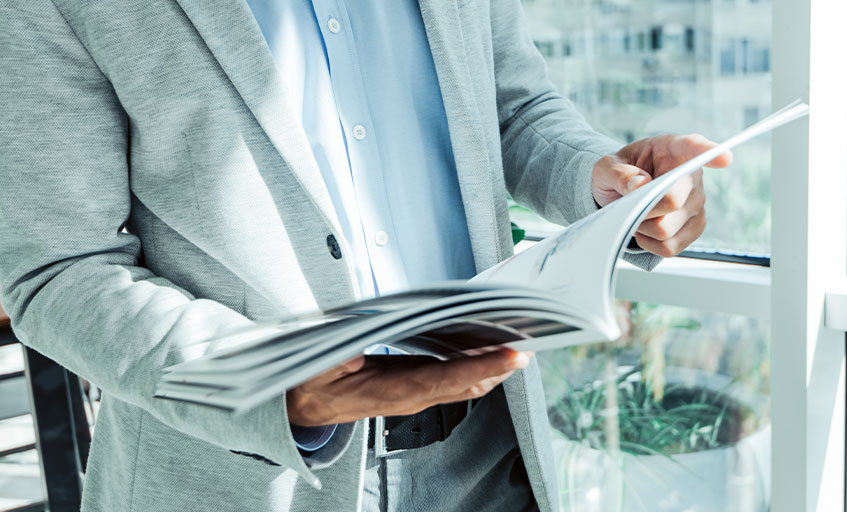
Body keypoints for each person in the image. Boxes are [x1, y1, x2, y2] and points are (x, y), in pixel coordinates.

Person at [0, 1, 731, 511]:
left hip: (486, 460)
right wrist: (275, 385)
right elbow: (59, 270)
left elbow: (510, 106)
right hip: (241, 481)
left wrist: (601, 182)